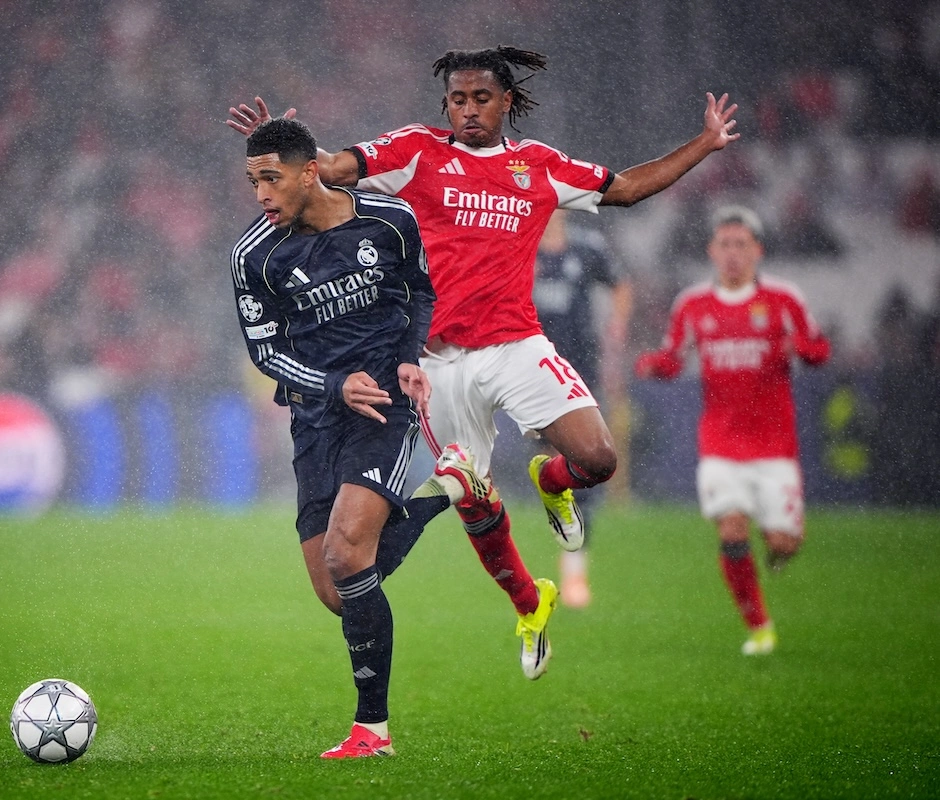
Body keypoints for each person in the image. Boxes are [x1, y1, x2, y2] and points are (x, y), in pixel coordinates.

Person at [228, 45, 740, 680]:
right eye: (457, 99)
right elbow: (332, 168)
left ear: (507, 102)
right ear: (446, 105)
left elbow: (628, 189)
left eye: (481, 98)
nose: (468, 110)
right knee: (469, 497)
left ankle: (552, 483)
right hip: (436, 365)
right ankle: (529, 604)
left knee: (600, 459)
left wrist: (704, 142)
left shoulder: (539, 167)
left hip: (517, 346)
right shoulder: (416, 151)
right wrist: (284, 153)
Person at [232, 117, 494, 758]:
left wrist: (409, 357)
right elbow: (267, 354)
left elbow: (421, 293)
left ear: (309, 170)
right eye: (252, 181)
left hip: (382, 407)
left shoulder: (387, 220)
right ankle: (448, 490)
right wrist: (330, 386)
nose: (261, 194)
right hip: (315, 417)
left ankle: (371, 731)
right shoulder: (255, 257)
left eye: (271, 178)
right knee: (336, 592)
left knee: (349, 557)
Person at [635, 205, 831, 656]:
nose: (732, 253)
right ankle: (759, 626)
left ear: (757, 251)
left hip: (775, 445)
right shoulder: (692, 304)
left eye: (741, 244)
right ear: (711, 250)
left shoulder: (784, 300)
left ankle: (779, 545)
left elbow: (819, 350)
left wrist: (795, 346)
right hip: (720, 442)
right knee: (732, 528)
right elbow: (672, 356)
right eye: (724, 244)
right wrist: (651, 366)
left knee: (782, 542)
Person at [531, 209, 633, 608]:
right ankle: (569, 554)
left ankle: (575, 572)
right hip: (533, 378)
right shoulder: (518, 245)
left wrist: (617, 327)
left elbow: (621, 285)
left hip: (580, 375)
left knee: (583, 469)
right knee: (549, 474)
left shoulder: (587, 248)